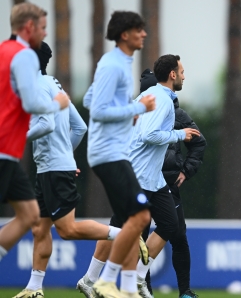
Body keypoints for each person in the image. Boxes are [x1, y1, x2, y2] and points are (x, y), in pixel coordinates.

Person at [11, 41, 128, 298]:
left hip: (53, 169)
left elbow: (45, 123)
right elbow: (80, 128)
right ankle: (34, 288)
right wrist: (68, 157)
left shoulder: (38, 87)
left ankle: (125, 234)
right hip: (51, 167)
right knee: (40, 229)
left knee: (67, 229)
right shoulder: (52, 85)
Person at [78, 55, 200, 298]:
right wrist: (180, 135)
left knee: (169, 224)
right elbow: (148, 134)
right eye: (182, 71)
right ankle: (90, 279)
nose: (185, 75)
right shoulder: (162, 100)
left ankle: (137, 278)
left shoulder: (150, 96)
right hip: (137, 177)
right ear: (173, 75)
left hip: (152, 179)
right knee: (119, 227)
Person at [83, 11, 156, 298]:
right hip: (109, 154)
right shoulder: (114, 65)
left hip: (113, 152)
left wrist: (126, 114)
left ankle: (127, 290)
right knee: (141, 217)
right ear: (125, 34)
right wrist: (137, 109)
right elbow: (98, 110)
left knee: (130, 222)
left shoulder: (116, 63)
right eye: (139, 30)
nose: (144, 34)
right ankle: (105, 280)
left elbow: (90, 98)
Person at [0, 2, 69, 264]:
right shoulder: (26, 54)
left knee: (30, 215)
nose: (45, 34)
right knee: (29, 217)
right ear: (29, 27)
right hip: (4, 148)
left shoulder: (3, 49)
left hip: (8, 150)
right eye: (42, 28)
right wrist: (57, 105)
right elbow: (31, 103)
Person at [139, 68, 206, 298]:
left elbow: (199, 141)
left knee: (177, 235)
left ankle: (184, 291)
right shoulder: (137, 113)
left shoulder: (175, 113)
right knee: (139, 239)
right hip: (140, 182)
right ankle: (143, 289)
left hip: (166, 183)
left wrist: (186, 170)